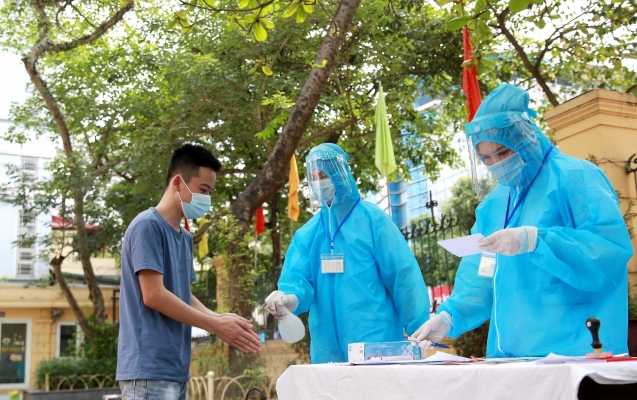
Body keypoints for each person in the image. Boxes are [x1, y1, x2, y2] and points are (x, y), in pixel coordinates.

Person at [411, 84, 633, 357]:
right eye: (486, 158)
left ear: (525, 138)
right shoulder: (494, 205)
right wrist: (449, 317)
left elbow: (607, 252)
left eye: (503, 153)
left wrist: (535, 239)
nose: (496, 164)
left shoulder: (576, 176)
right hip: (510, 356)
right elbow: (481, 275)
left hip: (575, 350)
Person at [116, 144, 261, 399]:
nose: (207, 199)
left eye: (210, 192)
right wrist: (216, 325)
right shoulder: (147, 226)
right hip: (148, 371)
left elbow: (183, 294)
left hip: (177, 370)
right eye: (203, 190)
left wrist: (219, 317)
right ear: (177, 182)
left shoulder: (183, 237)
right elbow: (154, 295)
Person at [265, 143, 430, 363]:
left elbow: (403, 276)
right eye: (314, 176)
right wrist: (289, 299)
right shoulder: (308, 233)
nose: (319, 181)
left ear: (339, 172)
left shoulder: (373, 220)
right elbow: (298, 280)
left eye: (324, 173)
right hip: (326, 349)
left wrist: (419, 330)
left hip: (376, 342)